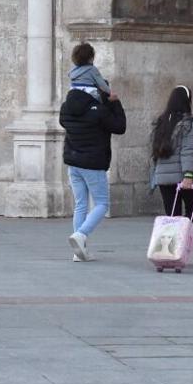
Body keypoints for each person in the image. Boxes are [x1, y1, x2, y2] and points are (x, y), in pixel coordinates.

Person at [59, 44, 127, 261]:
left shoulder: (66, 106)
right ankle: (81, 235)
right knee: (102, 204)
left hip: (73, 161)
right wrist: (115, 103)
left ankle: (79, 253)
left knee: (80, 204)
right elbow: (119, 127)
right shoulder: (98, 108)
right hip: (93, 162)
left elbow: (64, 122)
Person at [149, 85, 193, 225]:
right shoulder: (188, 123)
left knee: (173, 216)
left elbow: (154, 151)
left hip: (164, 178)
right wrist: (188, 175)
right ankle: (182, 240)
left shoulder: (161, 122)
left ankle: (174, 244)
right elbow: (188, 150)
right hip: (182, 176)